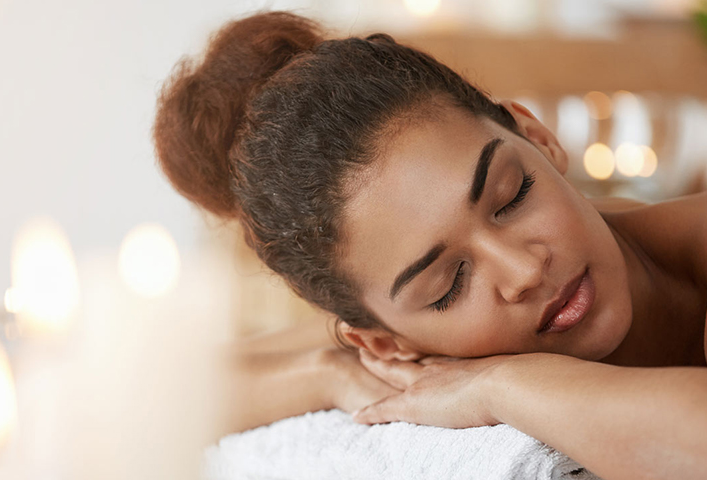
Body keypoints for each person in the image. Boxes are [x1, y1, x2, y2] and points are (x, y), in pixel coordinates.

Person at [152, 11, 707, 480]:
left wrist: (500, 386)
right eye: (448, 286)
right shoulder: (409, 349)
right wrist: (329, 374)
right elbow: (164, 391)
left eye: (512, 197)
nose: (523, 272)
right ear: (387, 345)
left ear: (536, 137)